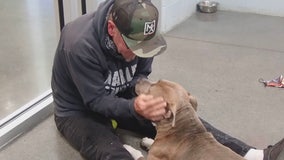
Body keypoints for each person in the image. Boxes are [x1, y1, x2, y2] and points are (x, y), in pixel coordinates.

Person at [51, 0, 284, 160]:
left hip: (122, 95)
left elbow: (139, 76)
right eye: (133, 47)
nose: (137, 53)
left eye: (145, 47)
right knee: (110, 152)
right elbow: (96, 101)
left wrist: (148, 100)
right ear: (112, 28)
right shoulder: (79, 44)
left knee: (186, 122)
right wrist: (134, 107)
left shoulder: (144, 38)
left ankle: (252, 155)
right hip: (79, 110)